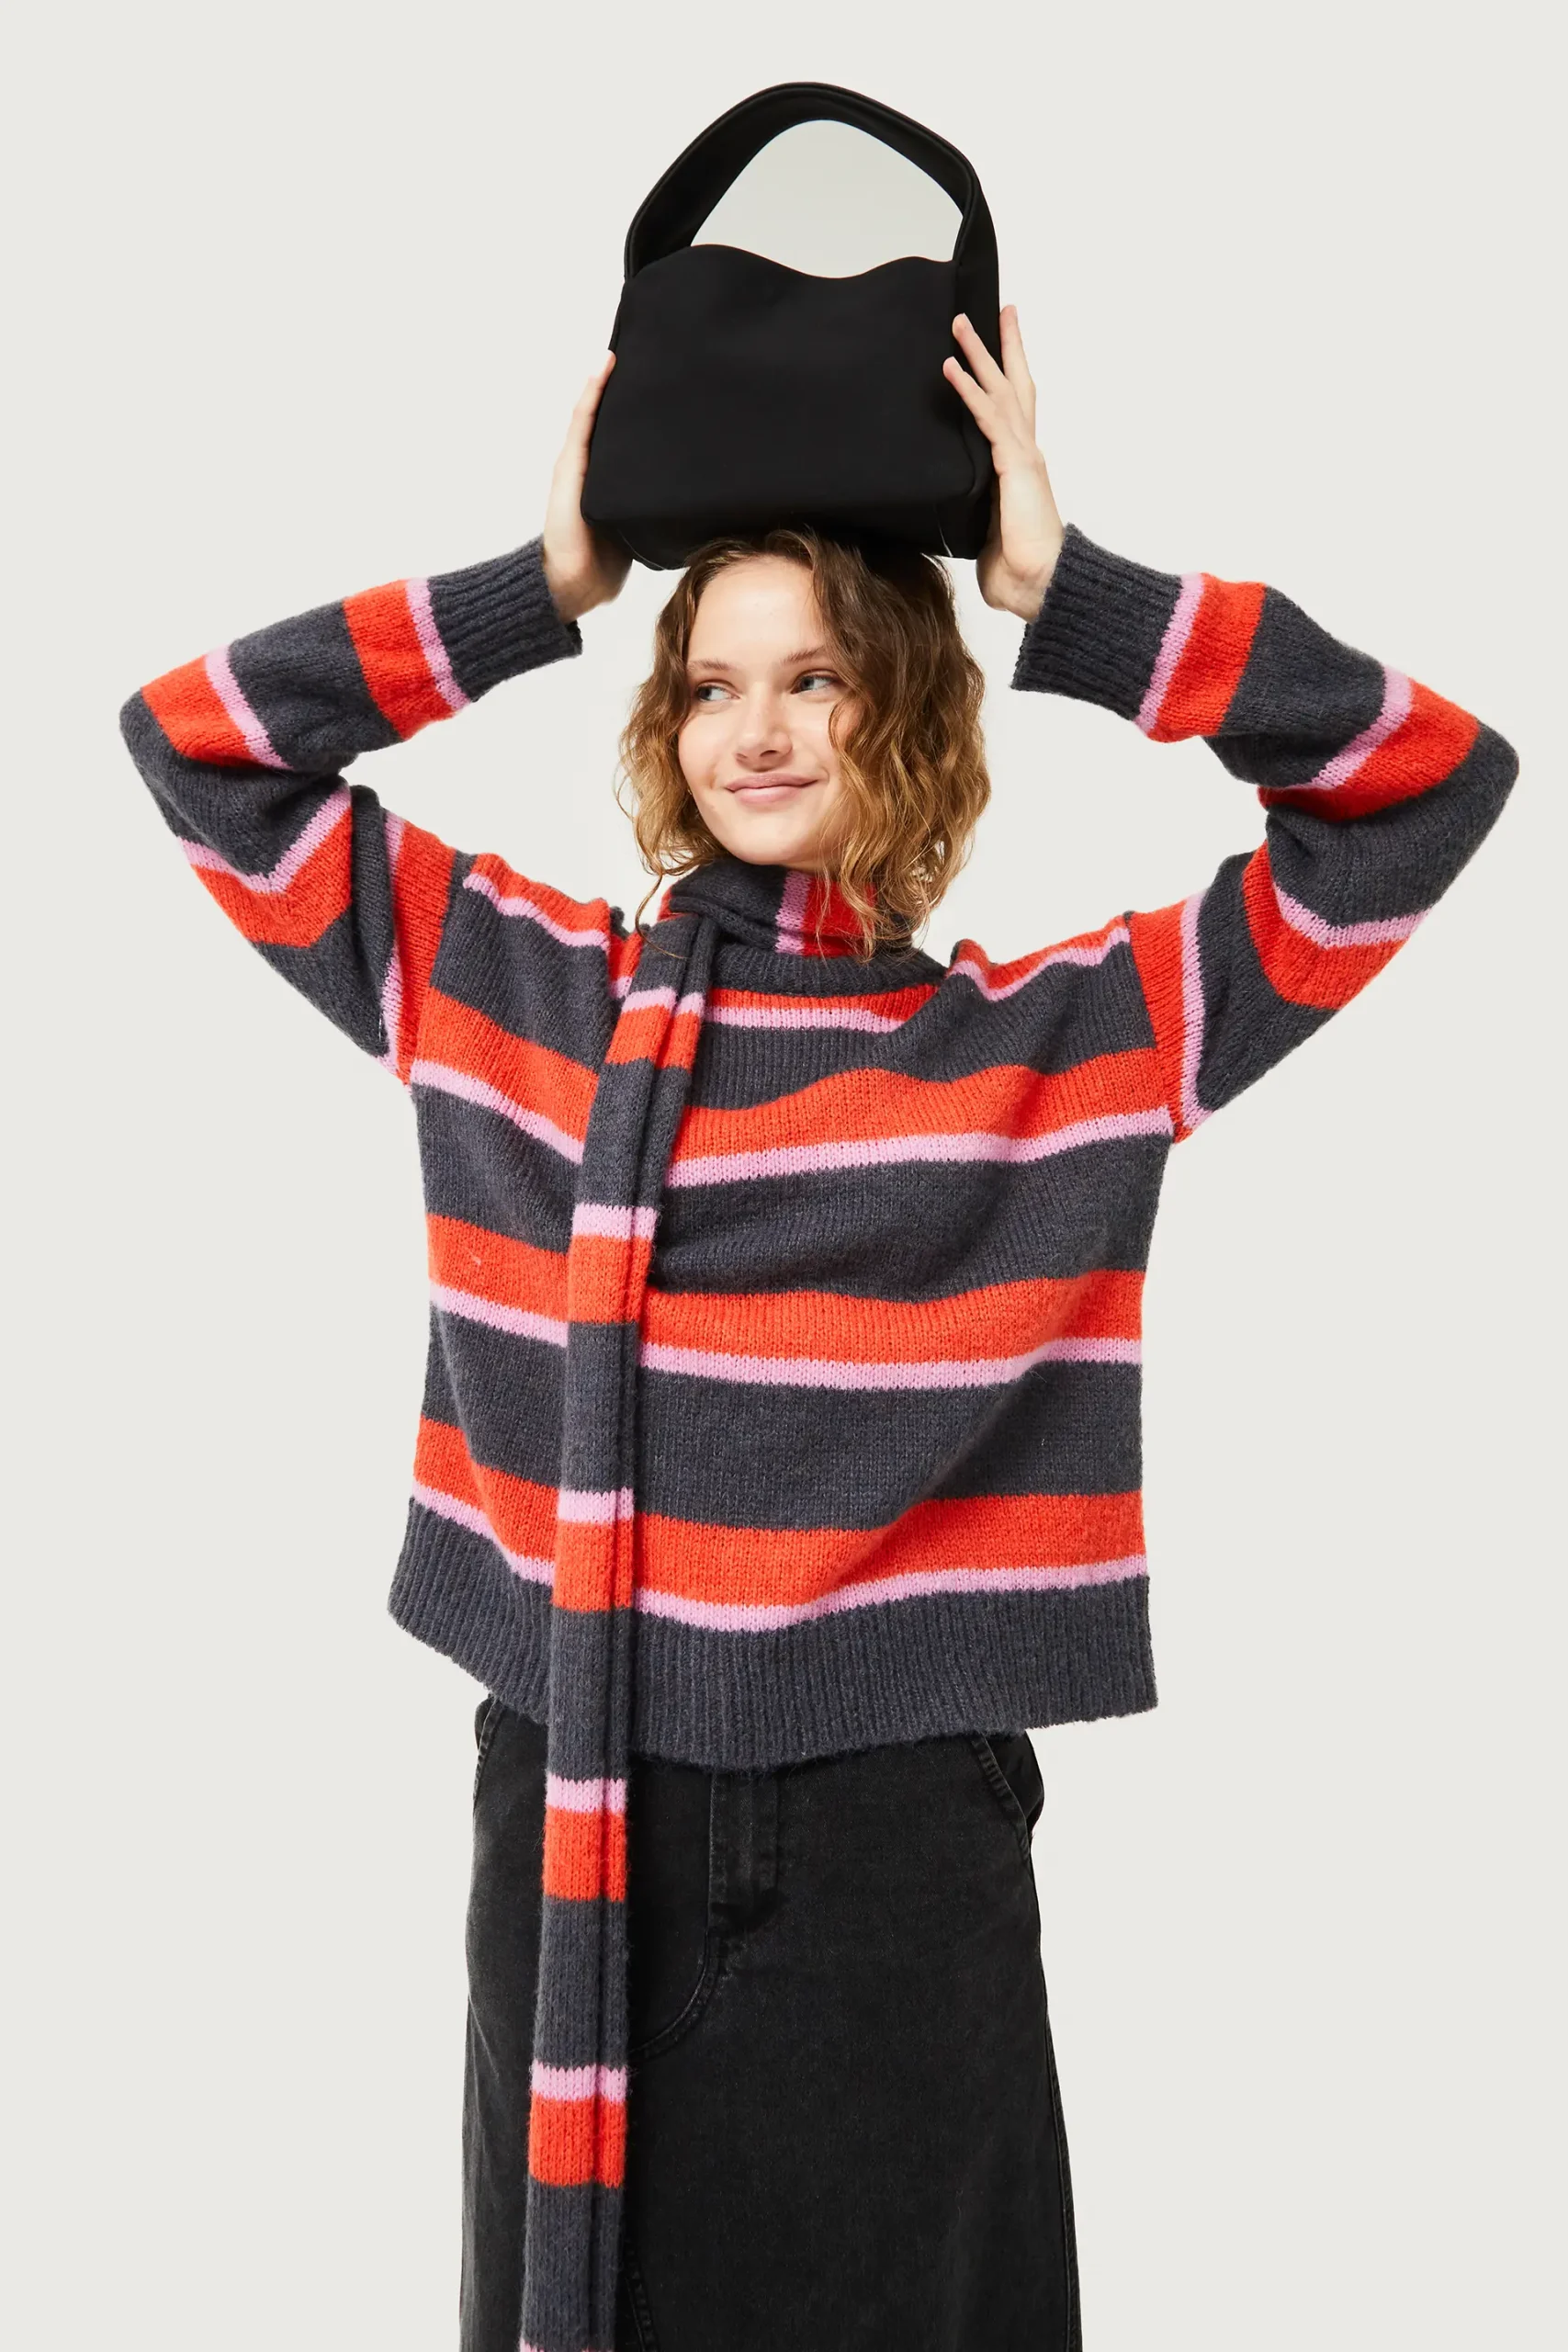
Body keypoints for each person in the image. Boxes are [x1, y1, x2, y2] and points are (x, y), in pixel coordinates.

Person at [118, 309, 1517, 2352]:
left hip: (891, 1837)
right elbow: (199, 743)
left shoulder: (1062, 1041)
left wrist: (1072, 590)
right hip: (574, 1789)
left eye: (817, 679)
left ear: (911, 712)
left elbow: (1422, 791)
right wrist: (543, 585)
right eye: (712, 684)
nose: (755, 731)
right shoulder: (510, 985)